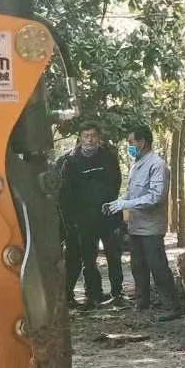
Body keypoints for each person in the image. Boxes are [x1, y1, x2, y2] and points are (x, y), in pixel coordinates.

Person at [107, 125, 182, 320]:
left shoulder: (157, 165)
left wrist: (127, 203)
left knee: (157, 265)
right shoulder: (137, 164)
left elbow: (156, 196)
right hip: (136, 225)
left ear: (142, 142)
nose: (129, 146)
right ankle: (142, 302)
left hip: (151, 226)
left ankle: (171, 306)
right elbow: (134, 194)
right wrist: (118, 203)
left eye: (131, 142)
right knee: (138, 265)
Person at [58, 125, 126, 308]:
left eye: (93, 135)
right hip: (84, 218)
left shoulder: (108, 156)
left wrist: (107, 202)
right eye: (86, 136)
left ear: (99, 137)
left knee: (113, 254)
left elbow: (115, 181)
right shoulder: (70, 160)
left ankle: (117, 293)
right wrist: (72, 217)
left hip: (107, 213)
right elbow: (65, 192)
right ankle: (93, 294)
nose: (90, 139)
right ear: (80, 138)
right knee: (88, 257)